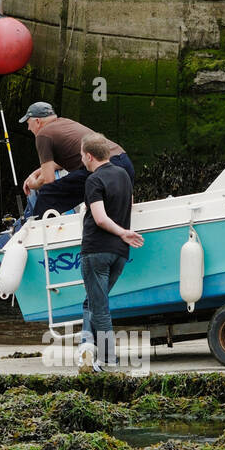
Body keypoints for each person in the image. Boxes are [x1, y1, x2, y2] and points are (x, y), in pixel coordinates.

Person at [0, 102, 134, 298]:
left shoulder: (43, 135)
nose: (27, 127)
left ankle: (29, 235)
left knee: (48, 194)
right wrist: (37, 172)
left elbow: (48, 181)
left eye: (28, 123)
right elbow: (66, 158)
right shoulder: (64, 123)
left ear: (38, 121)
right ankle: (31, 230)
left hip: (103, 169)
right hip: (123, 161)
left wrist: (32, 184)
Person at [78, 132, 144, 372]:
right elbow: (129, 204)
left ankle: (107, 359)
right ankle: (86, 347)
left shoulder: (94, 180)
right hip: (119, 254)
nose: (81, 160)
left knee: (100, 307)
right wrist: (123, 234)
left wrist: (120, 232)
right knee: (93, 301)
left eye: (82, 156)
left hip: (97, 250)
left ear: (89, 156)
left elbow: (100, 218)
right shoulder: (124, 175)